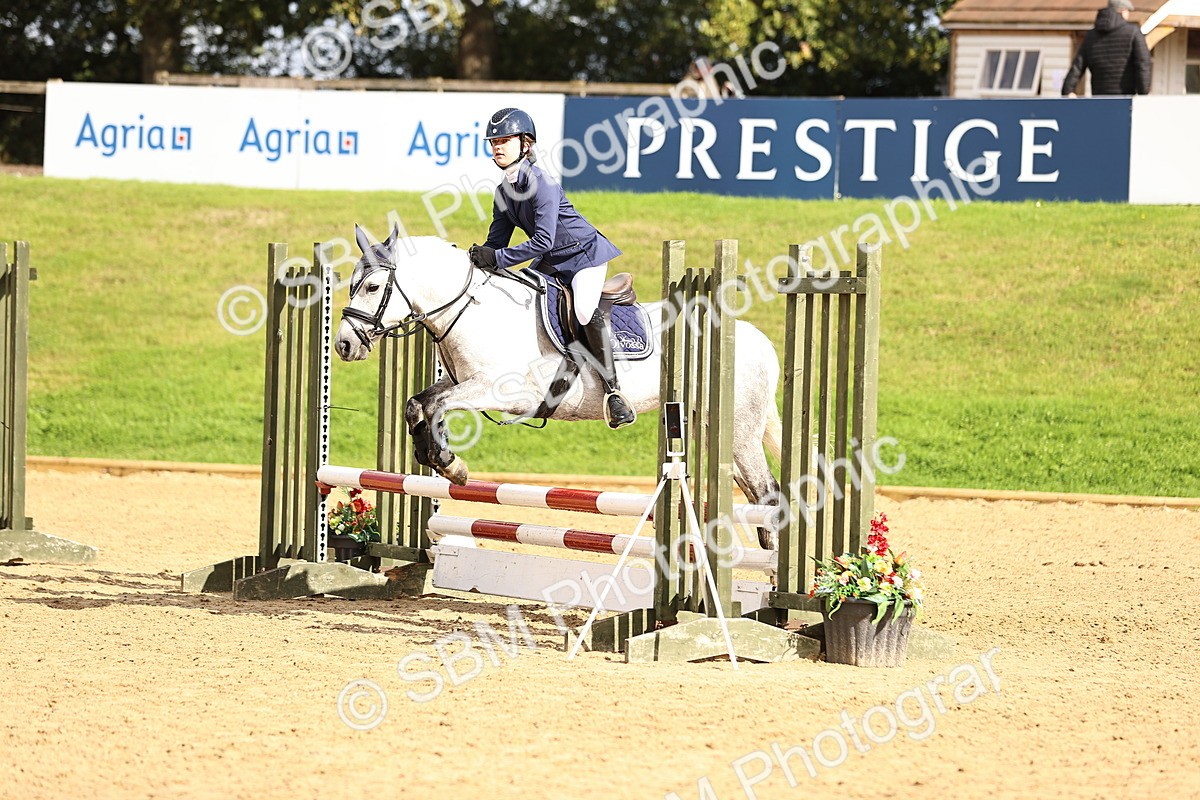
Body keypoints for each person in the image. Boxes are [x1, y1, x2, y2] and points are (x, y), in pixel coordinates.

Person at [468, 107, 636, 430]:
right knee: (523, 301)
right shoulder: (504, 192)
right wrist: (477, 260)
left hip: (583, 256)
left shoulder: (542, 183)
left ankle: (614, 393)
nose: (497, 147)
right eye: (493, 141)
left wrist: (499, 259)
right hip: (552, 261)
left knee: (585, 311)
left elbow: (543, 240)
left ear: (525, 144)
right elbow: (496, 241)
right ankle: (544, 382)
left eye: (505, 140)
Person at [1062, 0, 1152, 96]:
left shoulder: (1090, 36)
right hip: (1126, 98)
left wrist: (1067, 91)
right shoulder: (1133, 33)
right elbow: (1143, 64)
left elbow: (1077, 67)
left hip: (1099, 98)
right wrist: (1143, 93)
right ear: (1123, 11)